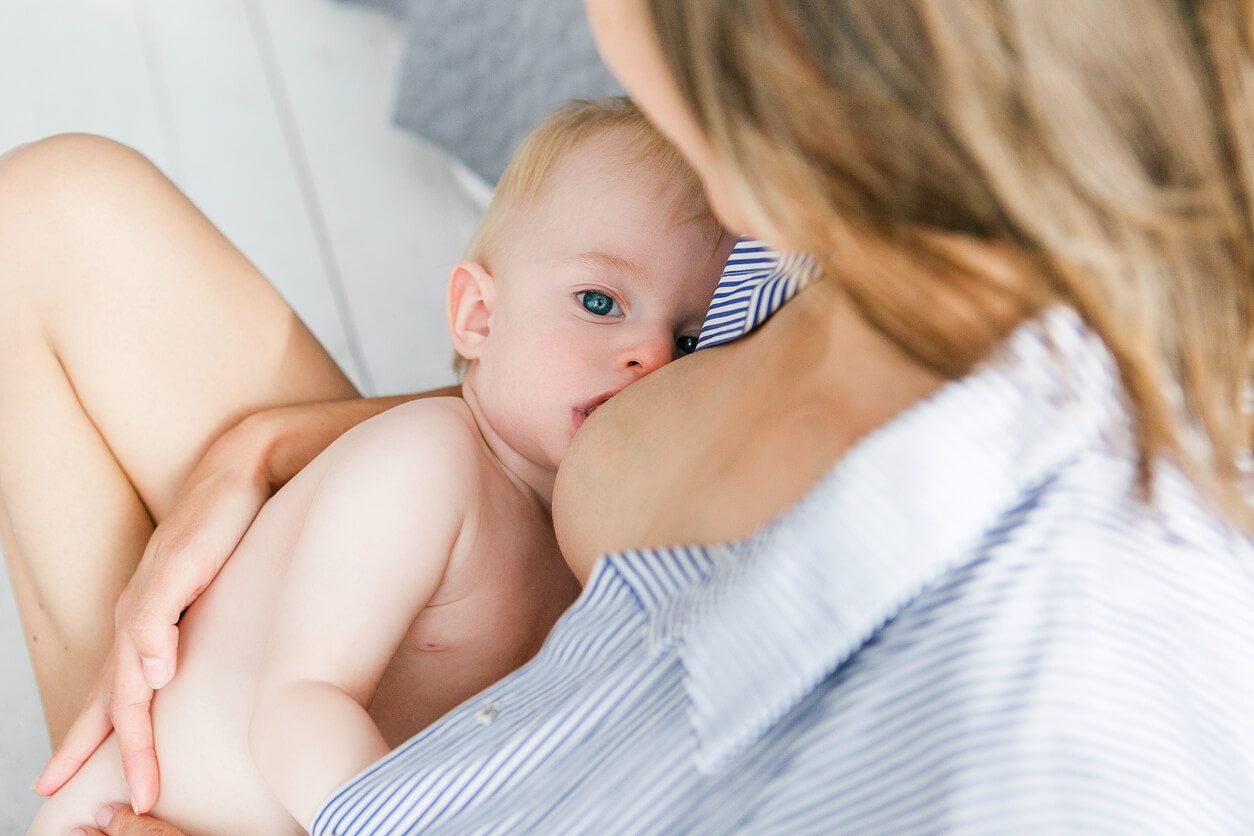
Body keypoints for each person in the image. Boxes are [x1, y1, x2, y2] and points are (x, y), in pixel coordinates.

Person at [12, 0, 1254, 833]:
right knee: (50, 218)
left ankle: (123, 773)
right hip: (432, 664)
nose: (647, 351)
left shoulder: (1020, 720)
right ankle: (121, 747)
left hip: (436, 781)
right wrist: (298, 444)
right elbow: (571, 382)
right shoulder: (795, 247)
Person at [20, 97, 728, 835]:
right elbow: (301, 706)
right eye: (599, 301)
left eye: (687, 342)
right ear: (478, 318)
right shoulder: (427, 465)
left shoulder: (594, 527)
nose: (647, 356)